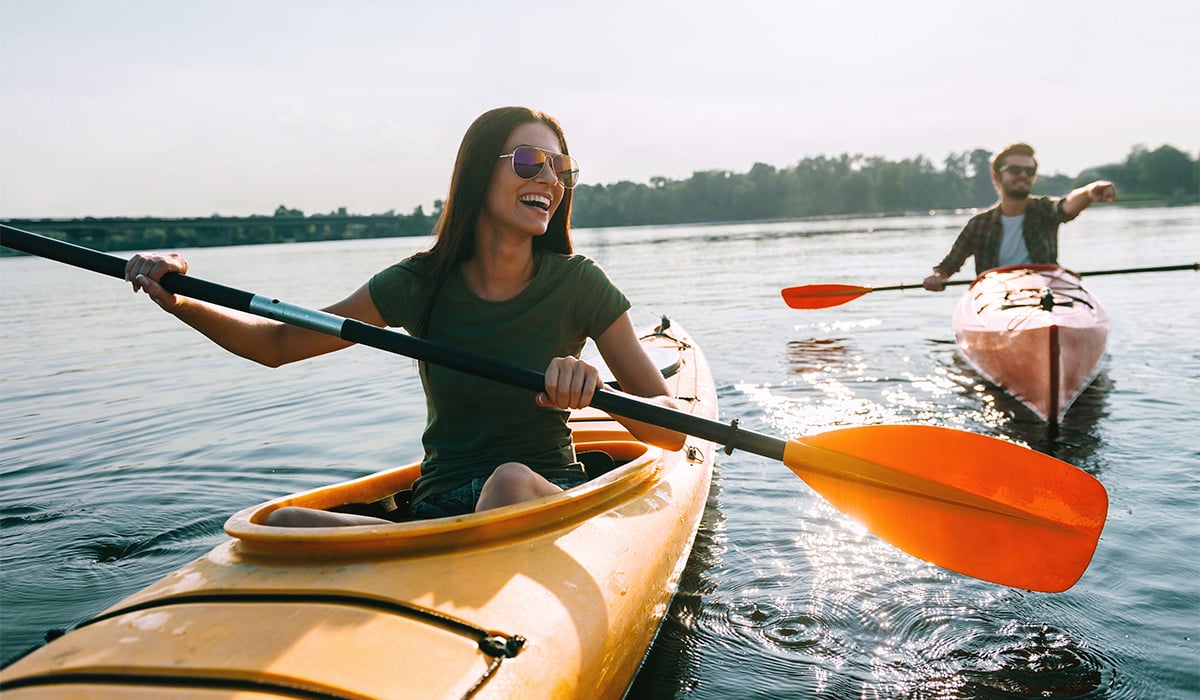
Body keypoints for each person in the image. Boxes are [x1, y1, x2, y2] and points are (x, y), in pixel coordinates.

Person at [124, 106, 686, 526]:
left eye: (561, 167)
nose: (549, 179)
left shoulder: (579, 283)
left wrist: (592, 389)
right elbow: (276, 344)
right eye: (528, 161)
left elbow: (669, 431)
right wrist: (179, 298)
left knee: (508, 481)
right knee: (279, 521)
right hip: (438, 506)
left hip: (538, 492)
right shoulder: (418, 283)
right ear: (477, 174)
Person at [922, 142, 1117, 291]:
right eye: (1015, 170)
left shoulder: (1044, 210)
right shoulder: (979, 224)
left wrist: (1090, 192)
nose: (1023, 175)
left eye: (1029, 171)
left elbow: (1067, 205)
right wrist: (937, 276)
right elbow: (948, 266)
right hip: (996, 297)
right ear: (996, 177)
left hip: (1045, 293)